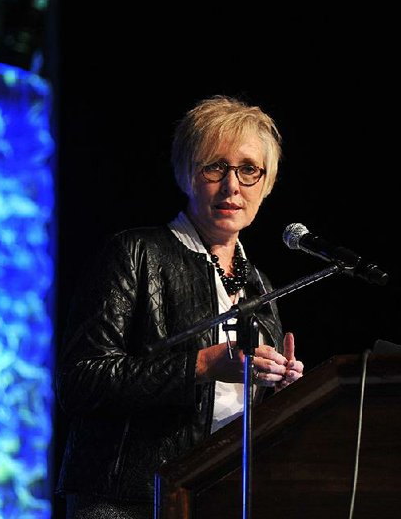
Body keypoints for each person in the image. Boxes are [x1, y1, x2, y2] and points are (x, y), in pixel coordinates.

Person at [54, 95, 305, 518]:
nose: (232, 187)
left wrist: (280, 391)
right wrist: (201, 365)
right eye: (214, 167)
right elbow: (80, 381)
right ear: (186, 174)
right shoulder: (135, 253)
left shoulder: (262, 286)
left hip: (220, 497)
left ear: (267, 183)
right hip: (127, 500)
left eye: (248, 170)